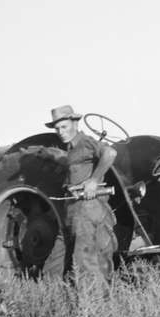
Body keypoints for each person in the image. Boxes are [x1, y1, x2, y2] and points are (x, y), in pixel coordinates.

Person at [43, 105, 118, 281]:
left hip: (86, 210)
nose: (60, 132)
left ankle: (93, 304)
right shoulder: (71, 149)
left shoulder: (85, 142)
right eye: (57, 128)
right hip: (71, 211)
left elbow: (110, 153)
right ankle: (52, 301)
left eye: (64, 127)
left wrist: (93, 180)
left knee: (86, 264)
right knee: (54, 265)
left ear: (75, 123)